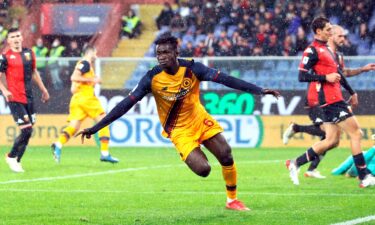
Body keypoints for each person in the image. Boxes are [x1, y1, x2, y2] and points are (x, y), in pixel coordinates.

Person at [75, 33, 280, 210]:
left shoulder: (193, 69)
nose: (161, 57)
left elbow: (225, 79)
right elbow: (126, 104)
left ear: (175, 52)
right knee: (204, 170)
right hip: (178, 130)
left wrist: (259, 90)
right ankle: (190, 153)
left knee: (226, 154)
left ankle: (232, 200)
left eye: (165, 53)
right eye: (158, 53)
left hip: (199, 119)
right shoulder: (151, 78)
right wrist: (95, 128)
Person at [285, 17, 375, 188]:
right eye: (328, 30)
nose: (330, 32)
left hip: (334, 98)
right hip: (330, 99)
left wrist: (352, 92)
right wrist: (324, 77)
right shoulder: (312, 51)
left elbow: (339, 74)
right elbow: (302, 76)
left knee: (331, 140)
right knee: (356, 133)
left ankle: (295, 163)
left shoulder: (328, 50)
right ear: (318, 31)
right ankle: (364, 177)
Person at [51, 45, 119, 164]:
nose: (96, 56)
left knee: (74, 127)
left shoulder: (81, 64)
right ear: (91, 52)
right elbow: (74, 77)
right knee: (104, 122)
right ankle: (104, 153)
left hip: (77, 99)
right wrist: (93, 80)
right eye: (95, 53)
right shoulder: (85, 63)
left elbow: (73, 89)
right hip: (86, 98)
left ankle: (58, 144)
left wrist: (89, 80)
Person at [0, 28, 50, 172]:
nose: (16, 39)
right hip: (15, 98)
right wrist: (4, 91)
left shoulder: (30, 53)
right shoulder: (5, 57)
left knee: (29, 131)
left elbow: (34, 72)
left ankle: (17, 160)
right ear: (8, 41)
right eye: (12, 37)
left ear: (22, 37)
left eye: (18, 36)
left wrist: (44, 89)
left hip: (29, 97)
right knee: (26, 130)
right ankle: (11, 156)